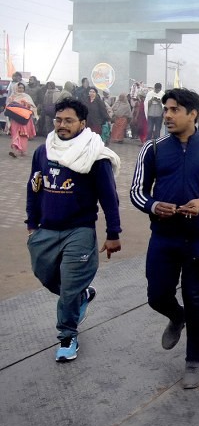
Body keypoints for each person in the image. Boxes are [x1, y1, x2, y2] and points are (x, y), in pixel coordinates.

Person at [130, 88, 199, 389]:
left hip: (198, 239)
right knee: (157, 296)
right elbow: (137, 192)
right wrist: (154, 205)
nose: (167, 115)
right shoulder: (153, 149)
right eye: (166, 109)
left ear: (193, 114)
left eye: (174, 110)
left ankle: (194, 361)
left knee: (195, 299)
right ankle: (175, 316)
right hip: (163, 237)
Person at [26, 97, 122, 361]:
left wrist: (113, 233)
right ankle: (81, 295)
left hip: (79, 230)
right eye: (58, 120)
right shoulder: (43, 151)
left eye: (69, 120)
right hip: (46, 229)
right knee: (45, 274)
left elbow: (109, 198)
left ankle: (67, 336)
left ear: (82, 123)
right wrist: (32, 224)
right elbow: (34, 187)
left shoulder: (95, 156)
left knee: (68, 288)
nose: (62, 125)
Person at [7, 82, 37, 158]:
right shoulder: (12, 97)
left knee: (23, 135)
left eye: (22, 88)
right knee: (15, 134)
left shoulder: (27, 97)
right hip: (15, 119)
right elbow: (8, 107)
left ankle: (23, 150)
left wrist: (27, 105)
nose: (21, 89)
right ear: (16, 88)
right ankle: (15, 151)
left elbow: (33, 107)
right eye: (19, 88)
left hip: (24, 119)